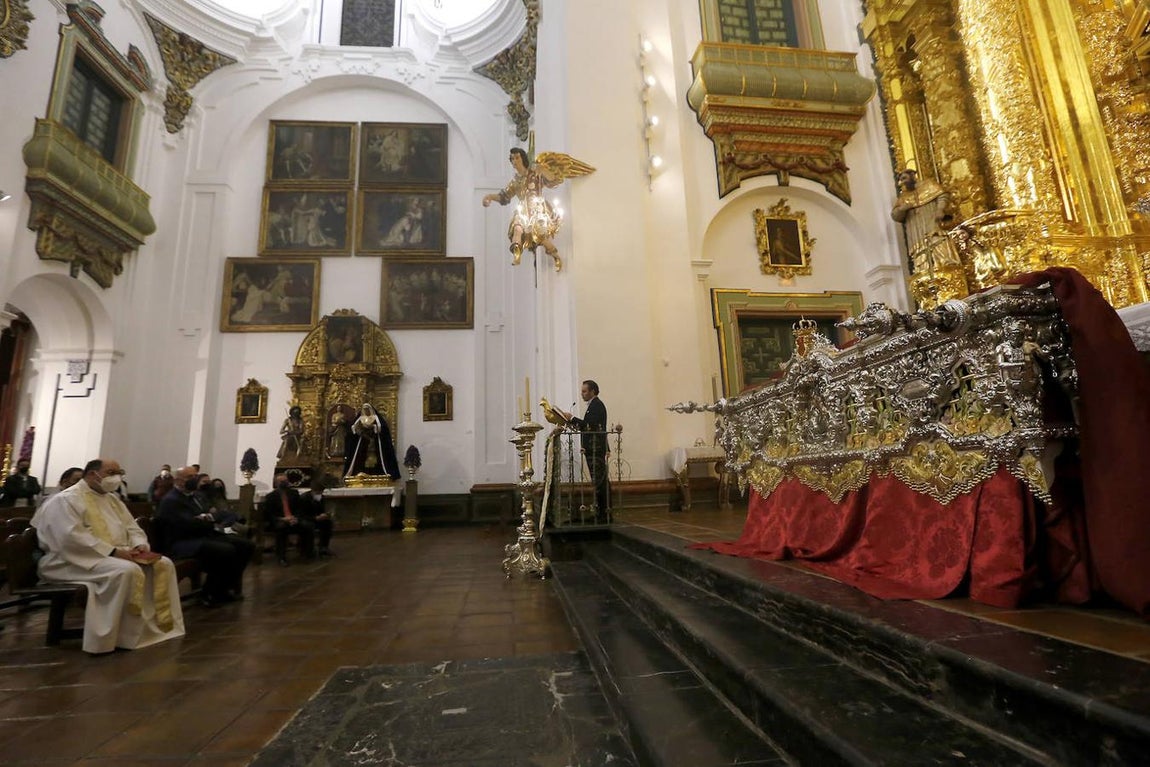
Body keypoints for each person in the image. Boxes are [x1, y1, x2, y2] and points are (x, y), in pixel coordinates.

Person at [29, 458, 185, 654]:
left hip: (110, 554)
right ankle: (115, 637)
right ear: (92, 474)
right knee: (125, 571)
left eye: (120, 473)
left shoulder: (112, 499)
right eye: (111, 473)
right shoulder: (66, 500)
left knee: (163, 564)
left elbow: (132, 527)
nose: (117, 478)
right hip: (68, 560)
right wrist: (114, 552)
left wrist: (139, 546)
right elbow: (70, 538)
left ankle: (154, 629)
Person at [482, 148, 594, 273]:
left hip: (537, 209)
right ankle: (517, 251)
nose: (515, 161)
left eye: (517, 157)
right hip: (523, 211)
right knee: (517, 229)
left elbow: (553, 180)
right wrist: (490, 197)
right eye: (512, 159)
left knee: (540, 236)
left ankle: (556, 256)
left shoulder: (534, 173)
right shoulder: (515, 182)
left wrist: (543, 170)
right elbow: (504, 196)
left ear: (523, 158)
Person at [156, 467, 254, 606]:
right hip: (182, 542)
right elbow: (189, 525)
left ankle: (223, 588)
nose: (194, 479)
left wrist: (207, 518)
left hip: (202, 535)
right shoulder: (171, 500)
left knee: (246, 546)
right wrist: (207, 519)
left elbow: (213, 514)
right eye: (190, 477)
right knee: (225, 550)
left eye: (195, 476)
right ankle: (209, 593)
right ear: (178, 480)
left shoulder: (196, 496)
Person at [890, 167, 959, 275]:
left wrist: (940, 209)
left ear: (913, 175)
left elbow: (942, 195)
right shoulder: (903, 197)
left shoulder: (929, 184)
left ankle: (949, 271)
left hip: (932, 223)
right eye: (901, 180)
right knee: (922, 258)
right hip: (916, 234)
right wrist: (902, 209)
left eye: (905, 178)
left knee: (940, 246)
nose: (903, 182)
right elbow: (895, 216)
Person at [561, 380, 611, 519]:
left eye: (584, 391)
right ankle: (602, 512)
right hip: (593, 447)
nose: (582, 394)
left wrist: (572, 418)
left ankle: (604, 513)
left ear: (592, 391)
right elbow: (590, 426)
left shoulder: (597, 405)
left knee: (600, 481)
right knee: (598, 481)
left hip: (596, 447)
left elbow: (591, 425)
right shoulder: (593, 405)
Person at [261, 473, 315, 566]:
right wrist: (282, 519)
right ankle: (281, 557)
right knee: (281, 528)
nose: (284, 483)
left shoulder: (294, 493)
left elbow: (300, 508)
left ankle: (306, 553)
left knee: (308, 526)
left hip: (294, 519)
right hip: (280, 520)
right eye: (282, 481)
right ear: (276, 483)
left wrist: (296, 517)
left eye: (285, 481)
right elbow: (269, 514)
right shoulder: (271, 496)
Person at [344, 403, 401, 479]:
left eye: (367, 409)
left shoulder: (376, 418)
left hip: (374, 439)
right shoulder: (360, 418)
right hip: (362, 440)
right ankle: (360, 472)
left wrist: (374, 427)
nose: (366, 411)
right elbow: (353, 428)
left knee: (375, 455)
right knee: (360, 456)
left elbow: (382, 428)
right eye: (365, 409)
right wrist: (359, 430)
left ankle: (378, 473)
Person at [299, 477, 334, 557]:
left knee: (327, 523)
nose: (320, 494)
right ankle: (308, 549)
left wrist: (325, 515)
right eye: (318, 492)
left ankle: (323, 547)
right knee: (308, 526)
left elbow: (321, 510)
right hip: (306, 519)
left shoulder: (321, 498)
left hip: (317, 518)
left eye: (321, 492)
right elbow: (301, 515)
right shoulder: (304, 498)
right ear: (313, 490)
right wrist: (315, 518)